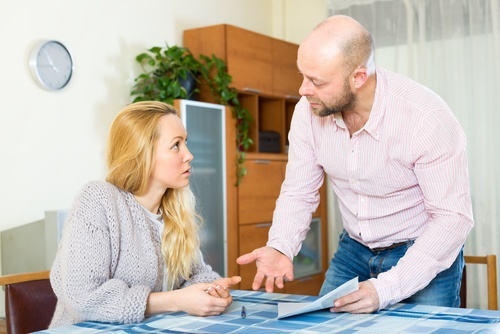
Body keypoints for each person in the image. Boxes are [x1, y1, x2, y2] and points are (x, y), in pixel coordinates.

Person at [237, 15, 474, 314]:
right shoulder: (308, 112)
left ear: (358, 78)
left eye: (317, 81)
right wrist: (281, 245)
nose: (302, 90)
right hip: (354, 249)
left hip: (421, 250)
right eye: (302, 75)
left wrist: (386, 288)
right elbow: (299, 190)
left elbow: (452, 219)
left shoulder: (425, 118)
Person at [49, 101, 241, 327]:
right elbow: (83, 299)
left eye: (185, 142)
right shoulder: (97, 200)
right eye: (176, 145)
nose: (189, 155)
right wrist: (176, 300)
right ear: (142, 153)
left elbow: (195, 273)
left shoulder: (175, 210)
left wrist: (213, 290)